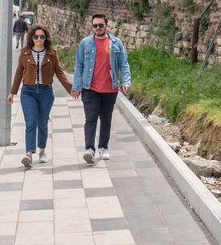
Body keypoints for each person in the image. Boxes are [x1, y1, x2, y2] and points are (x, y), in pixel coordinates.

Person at [7, 24, 73, 168]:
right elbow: (19, 73)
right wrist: (12, 92)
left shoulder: (51, 53)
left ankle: (42, 151)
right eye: (36, 36)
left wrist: (71, 89)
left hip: (46, 92)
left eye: (41, 36)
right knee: (31, 123)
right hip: (28, 92)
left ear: (46, 38)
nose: (38, 39)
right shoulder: (25, 52)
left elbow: (59, 72)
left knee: (42, 124)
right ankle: (29, 154)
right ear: (32, 37)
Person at [71, 13, 131, 163]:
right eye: (95, 25)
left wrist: (126, 81)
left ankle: (103, 147)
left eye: (100, 25)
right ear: (92, 26)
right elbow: (79, 66)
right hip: (90, 88)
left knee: (106, 119)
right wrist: (77, 86)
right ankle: (89, 149)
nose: (97, 28)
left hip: (110, 89)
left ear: (106, 25)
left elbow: (124, 64)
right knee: (90, 118)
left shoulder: (116, 44)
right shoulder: (85, 43)